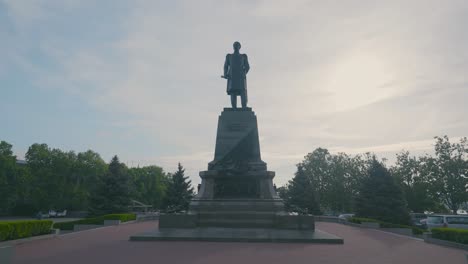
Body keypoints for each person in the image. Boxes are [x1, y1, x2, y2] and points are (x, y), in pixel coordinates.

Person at [222, 41, 250, 108]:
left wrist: (244, 73)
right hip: (232, 77)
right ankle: (234, 107)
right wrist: (225, 74)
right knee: (233, 92)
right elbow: (225, 66)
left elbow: (247, 66)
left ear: (239, 47)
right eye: (234, 45)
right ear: (233, 47)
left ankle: (244, 107)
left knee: (243, 92)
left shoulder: (243, 56)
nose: (236, 46)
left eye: (237, 45)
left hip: (240, 77)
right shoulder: (229, 56)